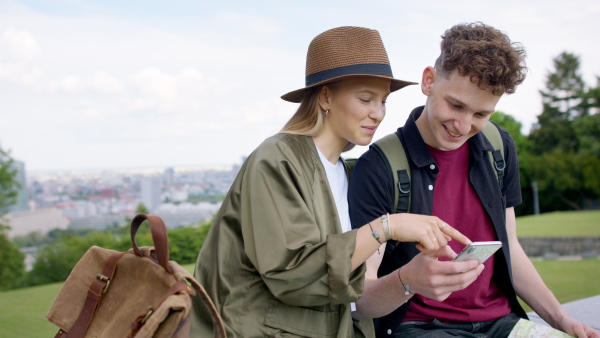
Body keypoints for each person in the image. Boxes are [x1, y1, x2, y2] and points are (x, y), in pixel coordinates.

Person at [189, 26, 471, 338]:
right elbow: (293, 275)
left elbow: (354, 297)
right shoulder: (277, 160)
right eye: (366, 99)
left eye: (383, 101)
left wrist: (411, 279)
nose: (378, 113)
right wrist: (387, 227)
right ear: (325, 97)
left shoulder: (351, 173)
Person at [348, 22, 600, 338]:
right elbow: (360, 299)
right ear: (429, 81)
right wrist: (407, 281)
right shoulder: (378, 167)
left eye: (481, 114)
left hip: (501, 323)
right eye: (455, 105)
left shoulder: (500, 147)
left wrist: (563, 321)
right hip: (420, 328)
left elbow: (511, 248)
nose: (464, 126)